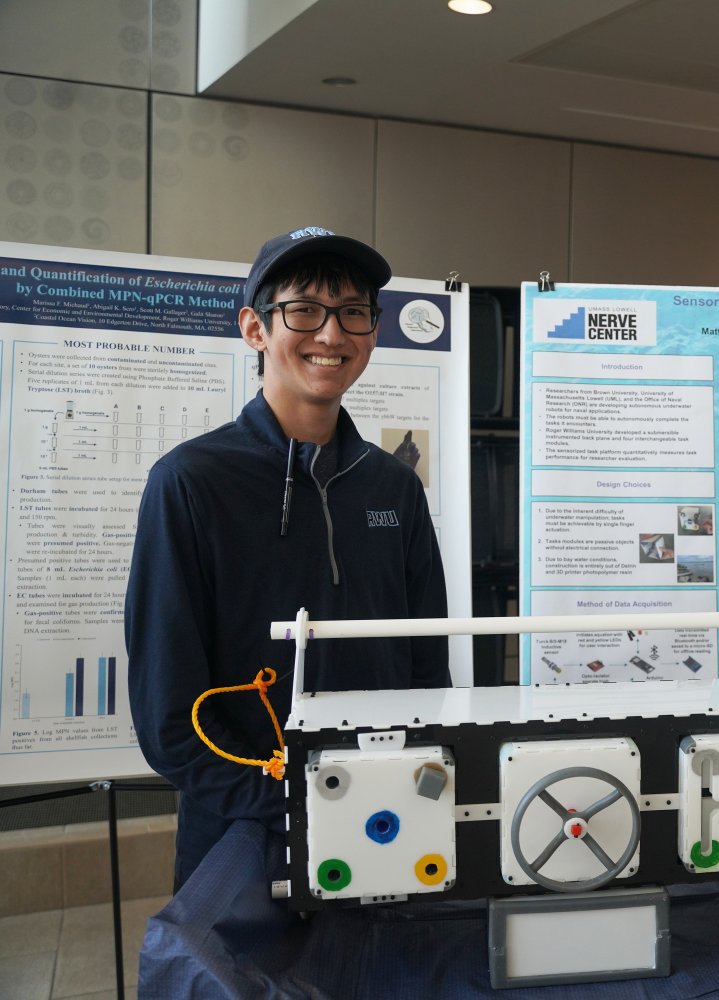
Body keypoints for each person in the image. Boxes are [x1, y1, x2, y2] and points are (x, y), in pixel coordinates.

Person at [125, 226, 450, 888]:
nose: (332, 334)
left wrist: (403, 788)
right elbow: (170, 717)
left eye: (353, 312)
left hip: (386, 821)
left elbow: (426, 667)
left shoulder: (393, 486)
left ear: (372, 333)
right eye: (304, 310)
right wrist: (292, 803)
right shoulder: (191, 481)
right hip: (244, 832)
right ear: (256, 328)